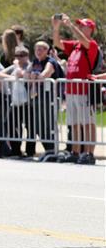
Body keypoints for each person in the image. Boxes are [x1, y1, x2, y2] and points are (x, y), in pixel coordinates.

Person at [52, 15, 99, 164]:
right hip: (72, 90)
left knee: (88, 123)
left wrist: (70, 26)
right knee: (75, 123)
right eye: (79, 26)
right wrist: (56, 27)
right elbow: (57, 43)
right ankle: (76, 151)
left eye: (83, 26)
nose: (80, 28)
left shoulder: (91, 45)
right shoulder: (74, 46)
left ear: (90, 29)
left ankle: (89, 153)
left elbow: (84, 41)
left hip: (84, 89)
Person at [0, 45, 33, 157]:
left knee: (30, 127)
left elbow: (23, 74)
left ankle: (30, 151)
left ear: (27, 56)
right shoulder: (13, 67)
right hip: (15, 101)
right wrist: (11, 78)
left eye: (21, 55)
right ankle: (16, 149)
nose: (19, 58)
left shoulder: (30, 65)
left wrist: (18, 69)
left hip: (28, 102)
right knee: (9, 124)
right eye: (17, 55)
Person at [28, 40, 59, 158]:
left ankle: (52, 150)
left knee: (48, 125)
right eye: (37, 49)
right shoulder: (35, 61)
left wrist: (35, 76)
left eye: (41, 49)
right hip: (36, 98)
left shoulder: (50, 61)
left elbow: (45, 74)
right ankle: (48, 150)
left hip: (49, 98)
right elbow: (26, 74)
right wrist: (32, 76)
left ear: (47, 51)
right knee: (39, 126)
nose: (38, 51)